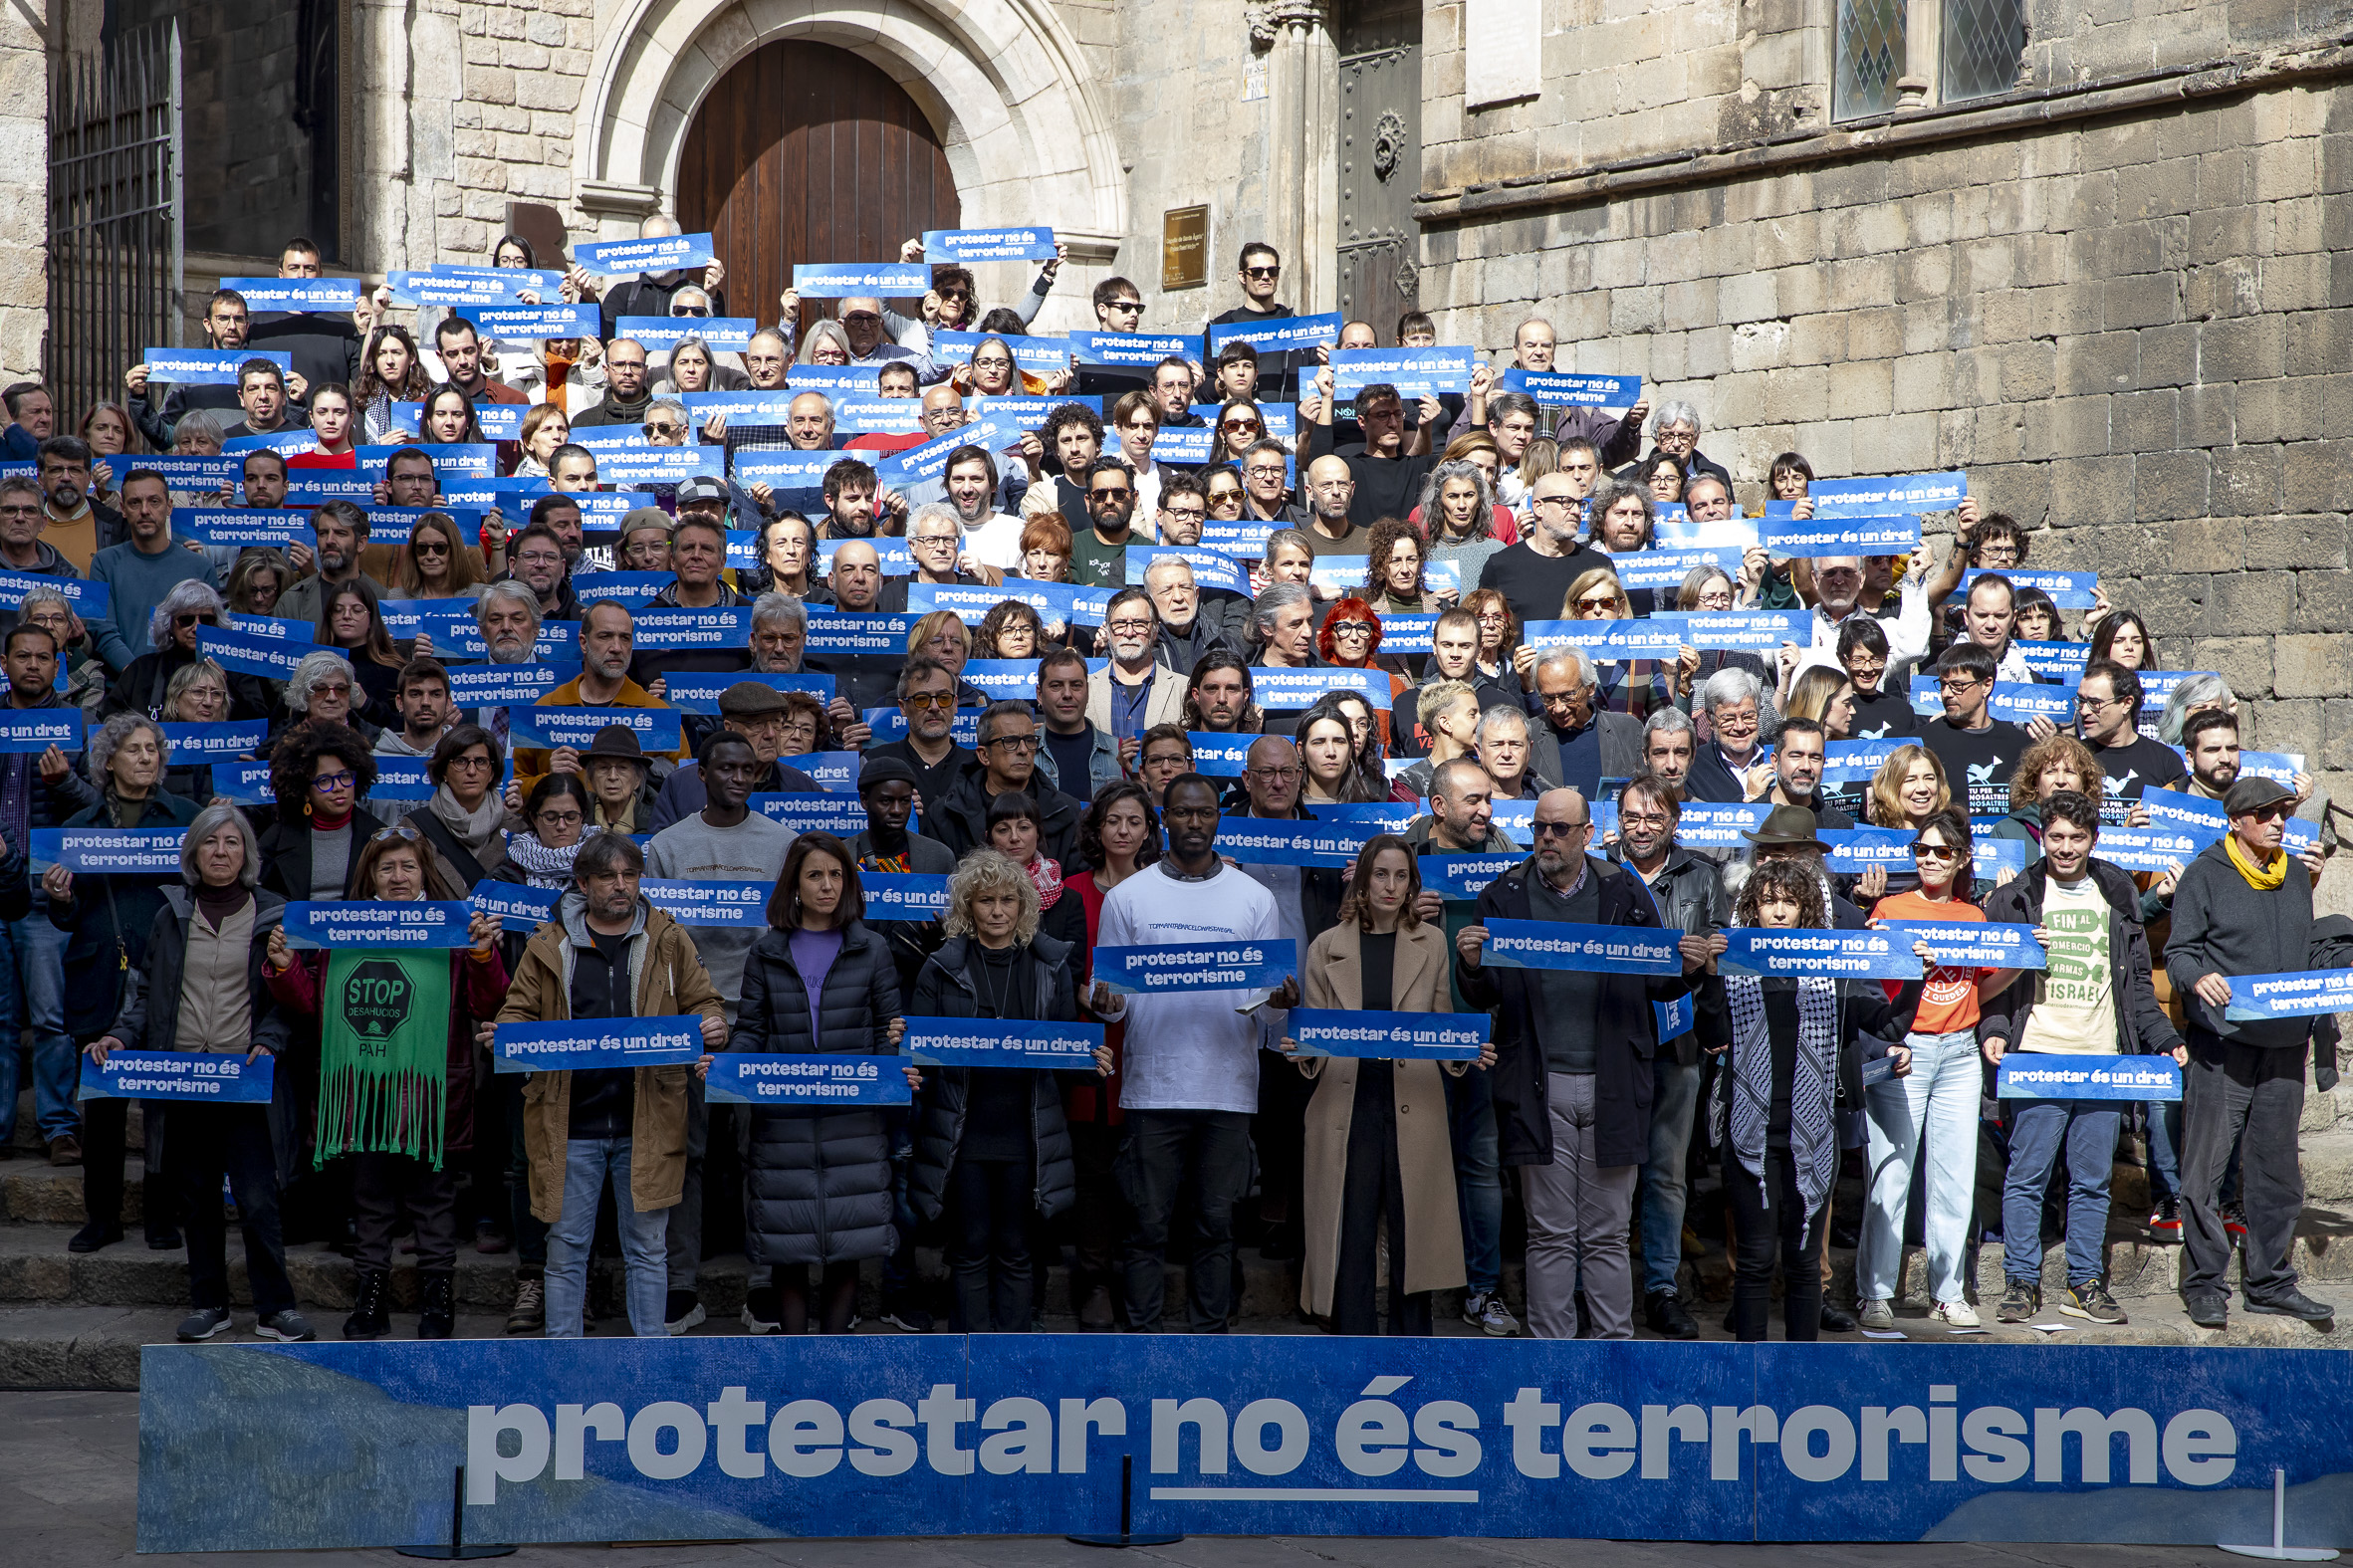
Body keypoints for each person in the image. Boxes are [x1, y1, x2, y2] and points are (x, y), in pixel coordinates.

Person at [1456, 786, 1706, 1339]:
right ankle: (1553, 1358)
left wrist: (1687, 969)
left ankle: (1612, 1352)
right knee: (1548, 1234)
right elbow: (1484, 993)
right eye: (1540, 827)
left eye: (1559, 829)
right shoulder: (1504, 893)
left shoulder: (1623, 890)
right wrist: (1471, 966)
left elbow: (1659, 982)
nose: (1546, 837)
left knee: (1608, 1234)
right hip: (1535, 1085)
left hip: (1614, 1082)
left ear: (1588, 835)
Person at [83, 803, 316, 1343]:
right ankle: (210, 1302)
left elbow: (290, 1001)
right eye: (211, 843)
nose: (221, 852)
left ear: (248, 855)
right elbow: (147, 994)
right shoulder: (170, 915)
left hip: (246, 1078)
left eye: (233, 843)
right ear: (193, 853)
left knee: (258, 1200)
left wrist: (268, 1041)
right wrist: (119, 1035)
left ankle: (275, 1308)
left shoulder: (273, 914)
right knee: (199, 1196)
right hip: (183, 1077)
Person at [263, 826, 508, 1339]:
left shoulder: (456, 927)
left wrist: (485, 957)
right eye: (387, 868)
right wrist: (284, 968)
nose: (398, 877)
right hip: (362, 1089)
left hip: (427, 1089)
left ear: (425, 873)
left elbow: (488, 1006)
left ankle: (438, 1305)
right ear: (370, 874)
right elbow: (314, 1006)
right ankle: (369, 1302)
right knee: (369, 1200)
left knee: (432, 1201)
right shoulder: (343, 928)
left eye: (408, 867)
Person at [1087, 774, 1297, 1331]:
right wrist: (1104, 1000)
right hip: (1153, 1086)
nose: (1195, 823)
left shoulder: (1254, 897)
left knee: (1215, 1225)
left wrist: (1280, 998)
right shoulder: (1128, 898)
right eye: (1182, 813)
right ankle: (1142, 1338)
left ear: (1218, 819)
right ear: (1165, 819)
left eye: (1205, 814)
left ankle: (1209, 1339)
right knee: (1145, 1225)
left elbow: (1268, 1009)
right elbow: (1112, 1005)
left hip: (1228, 1087)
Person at [499, 830, 725, 1338]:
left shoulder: (669, 939)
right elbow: (515, 1014)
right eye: (607, 876)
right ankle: (564, 1361)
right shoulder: (548, 944)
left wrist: (714, 1024)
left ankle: (649, 1362)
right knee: (565, 1250)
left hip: (647, 1120)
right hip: (568, 1121)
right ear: (583, 882)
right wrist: (507, 1036)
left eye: (630, 875)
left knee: (647, 1251)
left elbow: (705, 1002)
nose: (621, 886)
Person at [1691, 857, 1919, 1342]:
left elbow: (1892, 1025)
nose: (1777, 913)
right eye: (1768, 902)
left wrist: (1916, 976)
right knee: (1753, 1260)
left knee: (1801, 1261)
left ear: (1806, 911)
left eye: (1789, 903)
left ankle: (1800, 1378)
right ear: (1751, 909)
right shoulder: (1734, 972)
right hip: (1747, 1131)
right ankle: (1750, 1372)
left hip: (1813, 1135)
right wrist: (1710, 976)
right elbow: (1712, 1036)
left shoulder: (1831, 979)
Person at [1979, 788, 2183, 1325]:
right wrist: (1996, 1028)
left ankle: (2084, 1282)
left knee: (2092, 1181)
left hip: (2103, 1059)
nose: (2066, 848)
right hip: (2038, 1056)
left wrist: (2162, 1037)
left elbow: (2138, 982)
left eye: (2077, 838)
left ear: (2093, 839)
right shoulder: (2014, 896)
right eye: (2056, 837)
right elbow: (1993, 984)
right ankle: (2021, 1283)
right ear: (2041, 836)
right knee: (2028, 1176)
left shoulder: (2114, 890)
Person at [1282, 836, 1482, 1334]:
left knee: (1413, 1227)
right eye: (1381, 875)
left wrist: (1465, 1049)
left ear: (1413, 885)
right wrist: (1302, 1046)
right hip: (1347, 1102)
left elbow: (1441, 1023)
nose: (1390, 887)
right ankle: (1352, 1338)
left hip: (1413, 1099)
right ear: (1362, 881)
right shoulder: (1325, 946)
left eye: (1401, 877)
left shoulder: (1432, 943)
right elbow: (1317, 1035)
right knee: (1350, 1226)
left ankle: (1411, 1343)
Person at [2166, 776, 2343, 1328]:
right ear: (2235, 821)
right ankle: (2203, 1284)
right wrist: (2200, 978)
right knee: (2207, 1170)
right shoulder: (2203, 875)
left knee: (2277, 1174)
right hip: (2224, 1046)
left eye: (2282, 813)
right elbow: (2178, 954)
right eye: (2265, 814)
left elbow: (2303, 945)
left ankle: (2269, 1282)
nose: (2278, 822)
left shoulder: (2295, 874)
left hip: (2285, 1045)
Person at [718, 833, 908, 1334]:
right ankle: (795, 1362)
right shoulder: (767, 951)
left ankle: (833, 1360)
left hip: (854, 1121)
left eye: (836, 875)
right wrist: (725, 1069)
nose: (827, 885)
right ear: (795, 886)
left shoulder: (874, 949)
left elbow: (891, 1029)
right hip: (784, 1123)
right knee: (787, 1248)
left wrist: (893, 1072)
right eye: (815, 875)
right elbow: (753, 1029)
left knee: (850, 1246)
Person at [1855, 811, 2030, 1330]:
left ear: (1962, 859)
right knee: (1891, 1176)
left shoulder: (1973, 916)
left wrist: (2020, 959)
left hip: (1959, 1054)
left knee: (1955, 1180)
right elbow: (1872, 983)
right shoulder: (1889, 908)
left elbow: (1979, 988)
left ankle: (1949, 1291)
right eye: (1922, 850)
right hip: (1903, 1050)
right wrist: (1911, 966)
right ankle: (1877, 1293)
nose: (1929, 860)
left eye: (1941, 852)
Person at [906, 847, 1080, 1332]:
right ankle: (967, 1363)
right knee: (968, 1249)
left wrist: (1094, 1059)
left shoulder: (1051, 967)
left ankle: (1013, 1361)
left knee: (1017, 1251)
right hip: (962, 1135)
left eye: (1008, 900)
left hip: (1028, 1134)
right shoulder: (940, 968)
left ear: (1024, 906)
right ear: (967, 908)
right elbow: (920, 1056)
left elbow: (1068, 1050)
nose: (998, 911)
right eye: (986, 901)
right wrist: (907, 1056)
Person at [43, 717, 199, 1251]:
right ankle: (102, 1216)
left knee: (164, 1104)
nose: (146, 757)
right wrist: (61, 900)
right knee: (103, 1106)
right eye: (133, 750)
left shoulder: (186, 820)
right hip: (98, 975)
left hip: (167, 977)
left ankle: (162, 1214)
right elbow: (68, 917)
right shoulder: (82, 825)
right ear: (109, 761)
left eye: (153, 749)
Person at [1603, 775, 1730, 1338]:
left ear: (1674, 823)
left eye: (1655, 818)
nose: (1642, 828)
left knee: (1666, 1171)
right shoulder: (1598, 870)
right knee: (1608, 1167)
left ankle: (1661, 1288)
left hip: (1678, 1040)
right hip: (1608, 1037)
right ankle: (1600, 1287)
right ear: (1618, 819)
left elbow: (1726, 946)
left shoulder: (1702, 875)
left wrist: (1709, 957)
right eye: (1633, 817)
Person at [930, 700, 1083, 866]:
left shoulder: (1067, 811)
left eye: (1029, 740)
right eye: (1010, 741)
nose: (1023, 750)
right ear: (984, 755)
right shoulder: (945, 815)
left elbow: (1075, 886)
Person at [258, 722, 390, 903]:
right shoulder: (275, 840)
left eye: (345, 777)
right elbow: (262, 900)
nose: (338, 788)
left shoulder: (379, 836)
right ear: (305, 790)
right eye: (324, 781)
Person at [1921, 641, 2031, 817]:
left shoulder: (2021, 746)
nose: (1946, 694)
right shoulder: (1921, 743)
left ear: (1986, 685)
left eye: (1957, 685)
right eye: (1943, 684)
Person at [399, 724, 510, 891]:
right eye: (460, 761)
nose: (472, 771)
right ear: (443, 771)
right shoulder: (413, 828)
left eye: (481, 762)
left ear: (492, 773)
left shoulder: (516, 829)